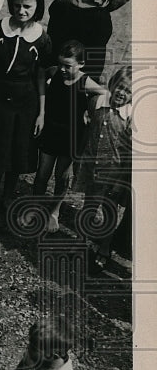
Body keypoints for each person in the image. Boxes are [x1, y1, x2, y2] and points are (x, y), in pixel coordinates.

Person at [0, 0, 51, 225]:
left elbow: (41, 76)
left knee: (16, 150)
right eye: (16, 5)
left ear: (37, 7)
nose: (21, 11)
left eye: (27, 6)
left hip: (25, 100)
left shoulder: (42, 38)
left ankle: (7, 199)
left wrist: (42, 113)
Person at [32, 40, 107, 234]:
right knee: (42, 173)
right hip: (51, 130)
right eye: (62, 64)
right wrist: (42, 109)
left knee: (62, 176)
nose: (64, 69)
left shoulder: (84, 81)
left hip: (71, 136)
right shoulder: (55, 72)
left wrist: (91, 109)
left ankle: (54, 212)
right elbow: (41, 74)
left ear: (81, 64)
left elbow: (105, 94)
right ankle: (35, 207)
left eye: (69, 66)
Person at [76, 65, 132, 275]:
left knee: (109, 211)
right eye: (119, 87)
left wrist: (121, 181)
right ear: (112, 85)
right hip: (92, 166)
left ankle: (105, 247)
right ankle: (81, 242)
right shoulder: (97, 103)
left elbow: (128, 153)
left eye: (127, 90)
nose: (121, 92)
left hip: (114, 172)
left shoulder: (129, 118)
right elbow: (89, 128)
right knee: (89, 205)